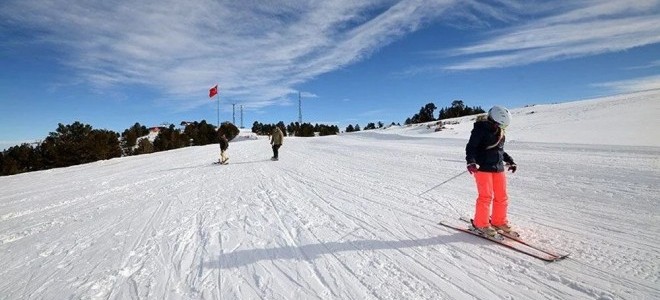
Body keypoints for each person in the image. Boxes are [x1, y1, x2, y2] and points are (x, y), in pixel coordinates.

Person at [465, 105, 517, 237]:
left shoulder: (499, 131)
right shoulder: (480, 129)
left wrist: (510, 160)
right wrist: (471, 161)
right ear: (494, 120)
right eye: (501, 125)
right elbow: (471, 147)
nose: (503, 129)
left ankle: (498, 221)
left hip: (498, 168)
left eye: (504, 127)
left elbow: (499, 150)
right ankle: (480, 223)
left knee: (502, 196)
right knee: (485, 197)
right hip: (483, 168)